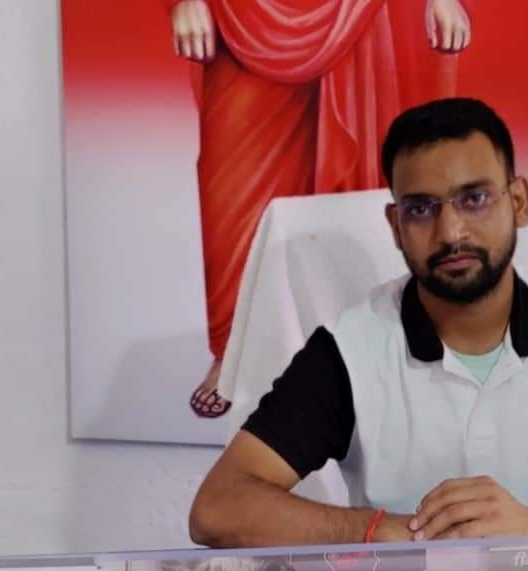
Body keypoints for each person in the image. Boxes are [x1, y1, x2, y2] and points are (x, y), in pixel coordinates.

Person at [188, 98, 528, 546]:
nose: (451, 232)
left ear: (519, 202)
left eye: (474, 198)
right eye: (421, 208)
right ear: (395, 225)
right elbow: (220, 508)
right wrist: (391, 533)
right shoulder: (349, 349)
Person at [166, 0, 473, 418]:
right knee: (232, 192)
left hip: (358, 12)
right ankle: (233, 352)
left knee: (358, 194)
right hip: (243, 15)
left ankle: (357, 355)